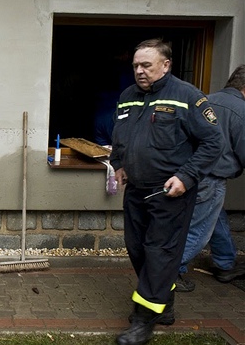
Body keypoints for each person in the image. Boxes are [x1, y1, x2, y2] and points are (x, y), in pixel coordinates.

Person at [109, 39, 223, 345]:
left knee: (159, 253)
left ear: (166, 65)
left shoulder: (187, 96)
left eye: (146, 65)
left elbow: (214, 142)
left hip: (170, 193)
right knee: (137, 248)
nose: (140, 71)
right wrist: (118, 163)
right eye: (136, 65)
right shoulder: (127, 96)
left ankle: (143, 319)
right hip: (136, 190)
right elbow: (119, 136)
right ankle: (165, 303)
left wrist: (186, 176)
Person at [176, 64, 245, 292]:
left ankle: (225, 264)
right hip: (211, 178)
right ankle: (170, 273)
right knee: (198, 230)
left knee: (215, 219)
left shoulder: (205, 100)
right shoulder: (241, 110)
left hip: (190, 173)